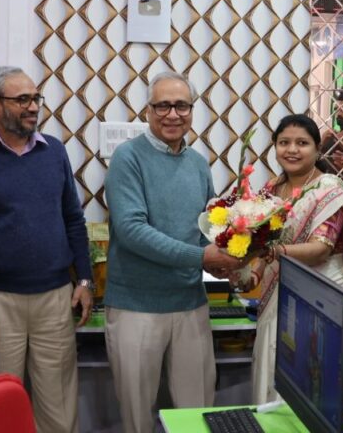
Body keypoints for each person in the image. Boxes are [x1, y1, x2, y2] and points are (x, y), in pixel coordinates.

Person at [0, 66, 93, 433]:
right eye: (23, 99)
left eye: (36, 98)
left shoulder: (54, 151)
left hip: (55, 296)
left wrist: (86, 282)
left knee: (58, 406)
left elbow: (73, 220)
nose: (33, 107)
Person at [103, 71, 243, 433]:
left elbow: (204, 230)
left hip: (190, 304)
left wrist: (231, 258)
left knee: (196, 413)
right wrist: (202, 258)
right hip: (136, 306)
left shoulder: (198, 163)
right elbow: (132, 231)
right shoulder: (127, 158)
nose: (172, 114)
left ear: (192, 110)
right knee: (137, 417)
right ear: (148, 111)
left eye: (181, 105)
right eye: (162, 105)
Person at [240, 114, 343, 403]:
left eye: (302, 143)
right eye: (284, 142)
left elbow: (321, 248)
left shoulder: (329, 190)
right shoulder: (271, 189)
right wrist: (253, 272)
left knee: (310, 380)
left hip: (320, 295)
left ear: (317, 149)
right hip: (279, 290)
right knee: (272, 366)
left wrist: (272, 253)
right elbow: (266, 241)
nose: (292, 150)